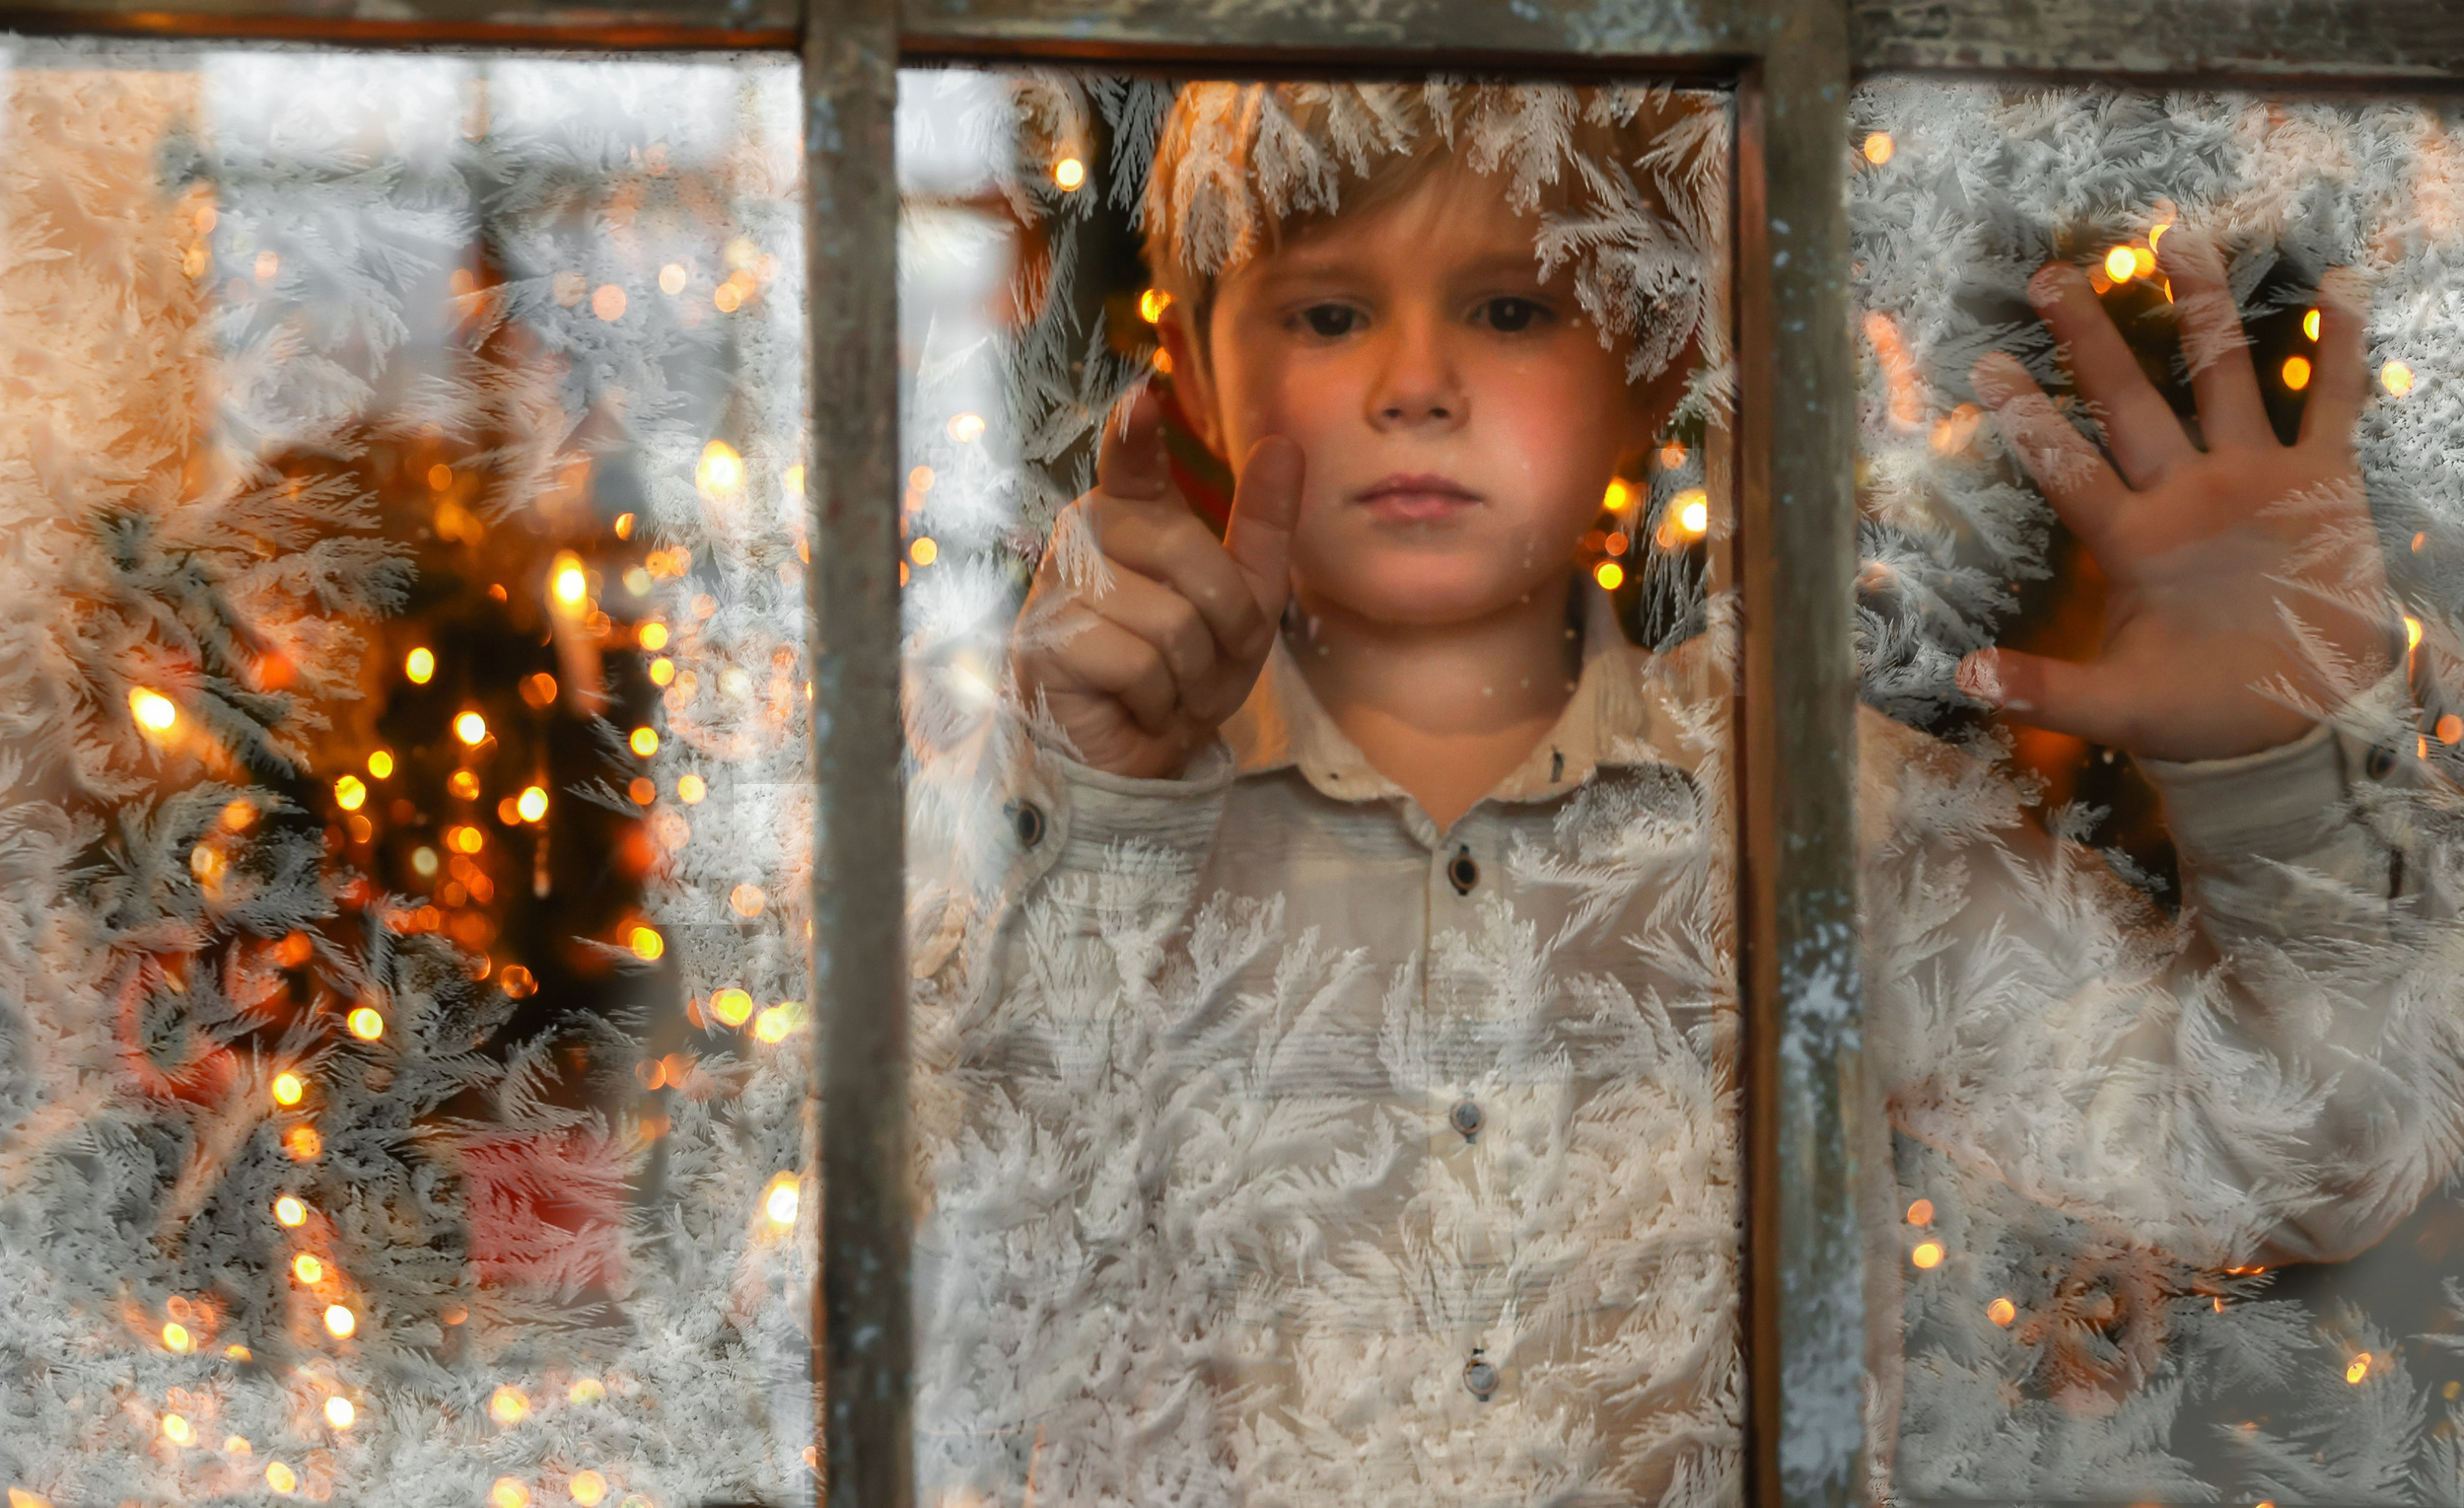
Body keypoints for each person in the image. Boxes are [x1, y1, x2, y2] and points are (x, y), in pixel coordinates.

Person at [905, 82, 2461, 1507]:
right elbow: (908, 1287)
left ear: (1652, 365)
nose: (1415, 384)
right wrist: (1097, 819)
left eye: (1511, 307)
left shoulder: (1814, 812)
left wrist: (2282, 770)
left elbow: (2305, 1157)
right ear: (1191, 368)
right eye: (1325, 313)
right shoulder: (1064, 803)